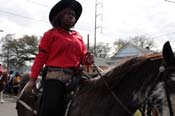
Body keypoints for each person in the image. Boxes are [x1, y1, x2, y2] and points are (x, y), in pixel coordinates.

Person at [25, 0, 94, 116]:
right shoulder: (50, 34)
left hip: (76, 76)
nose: (72, 15)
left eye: (74, 14)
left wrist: (88, 60)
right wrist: (32, 80)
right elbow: (40, 58)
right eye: (68, 13)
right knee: (51, 108)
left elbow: (83, 59)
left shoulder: (78, 36)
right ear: (60, 16)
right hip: (55, 77)